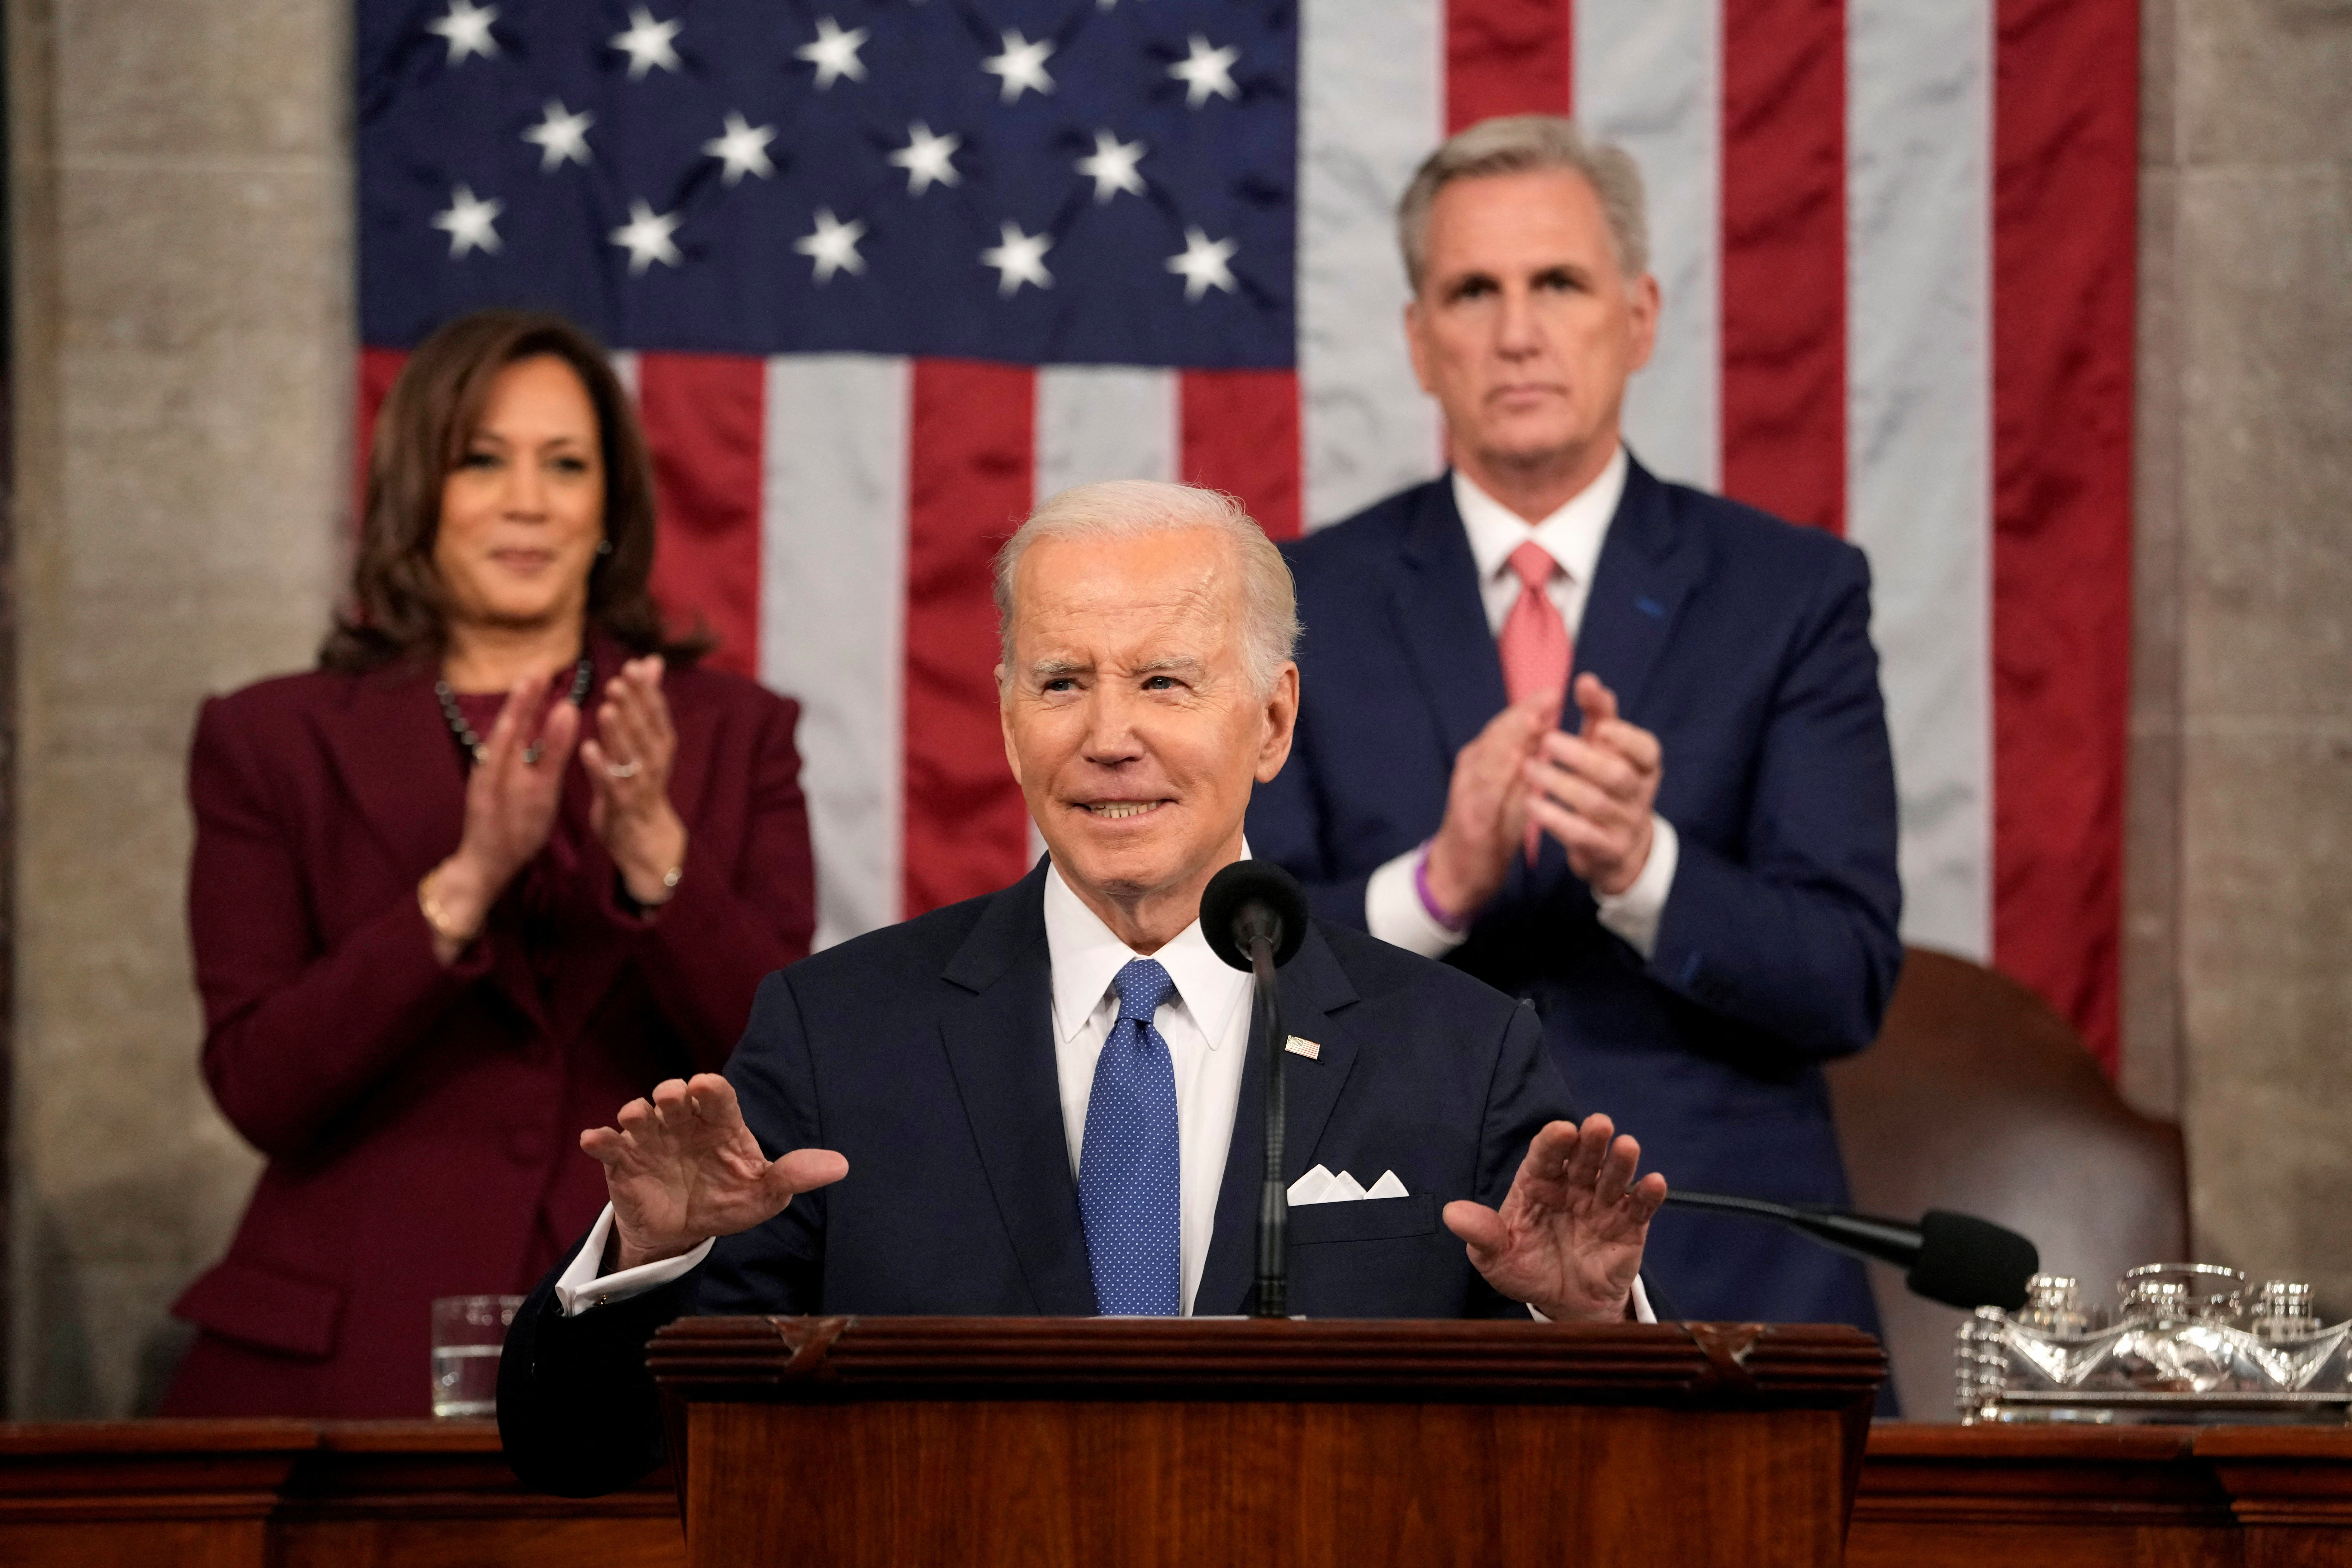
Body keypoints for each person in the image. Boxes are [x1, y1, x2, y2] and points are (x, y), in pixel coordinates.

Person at [496, 481, 1666, 1498]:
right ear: (1010, 723)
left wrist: (1585, 1328)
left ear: (1272, 720)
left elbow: (1608, 1487)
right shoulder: (837, 1038)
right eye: (1062, 682)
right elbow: (580, 1451)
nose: (1111, 736)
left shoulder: (1461, 1057)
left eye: (1164, 680)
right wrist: (654, 1251)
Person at [1245, 116, 1903, 1334]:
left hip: (1719, 1263)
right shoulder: (1295, 601)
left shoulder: (1791, 594)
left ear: (1639, 316)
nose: (1516, 331)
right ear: (1418, 341)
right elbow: (1223, 968)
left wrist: (1642, 865)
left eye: (1557, 282)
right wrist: (1435, 888)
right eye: (1470, 291)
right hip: (1388, 1262)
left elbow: (1845, 980)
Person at [162, 310, 817, 1417]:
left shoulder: (733, 733)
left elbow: (775, 1071)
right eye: (482, 460)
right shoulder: (270, 740)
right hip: (348, 1354)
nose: (527, 499)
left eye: (565, 465)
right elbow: (261, 1088)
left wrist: (658, 853)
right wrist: (463, 883)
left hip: (641, 1349)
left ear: (610, 506)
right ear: (421, 491)